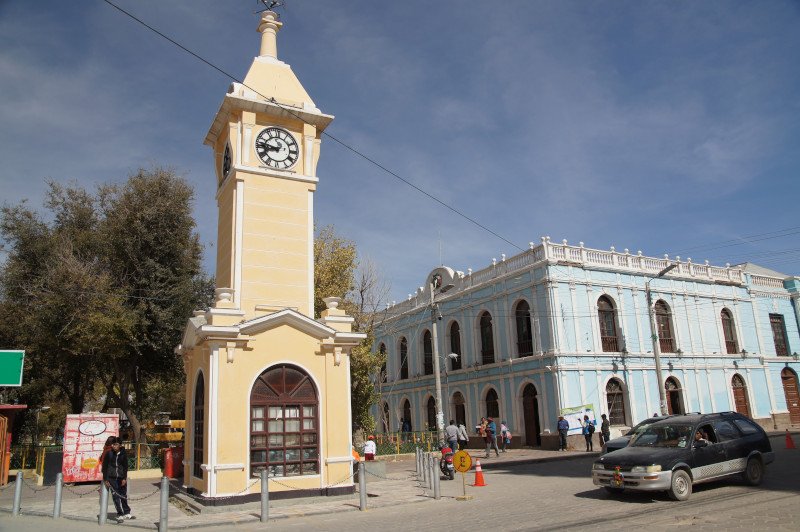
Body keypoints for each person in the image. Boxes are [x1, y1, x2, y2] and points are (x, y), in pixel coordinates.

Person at [101, 437, 133, 522]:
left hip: (121, 478)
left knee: (123, 495)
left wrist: (124, 478)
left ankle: (126, 512)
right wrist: (106, 479)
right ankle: (120, 514)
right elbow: (104, 467)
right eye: (113, 444)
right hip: (112, 478)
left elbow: (125, 467)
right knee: (116, 497)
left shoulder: (123, 454)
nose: (114, 446)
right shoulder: (109, 454)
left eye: (116, 444)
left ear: (120, 445)